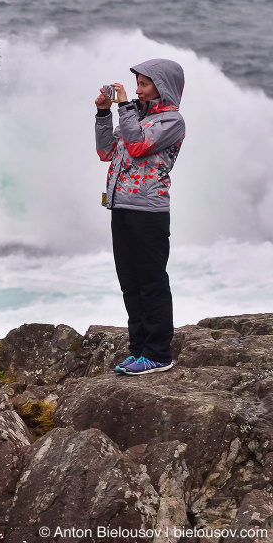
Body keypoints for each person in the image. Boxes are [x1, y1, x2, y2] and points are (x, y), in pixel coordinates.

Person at [94, 59, 186, 375]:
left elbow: (136, 146)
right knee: (130, 282)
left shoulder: (172, 121)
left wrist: (123, 107)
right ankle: (139, 350)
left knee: (151, 281)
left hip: (149, 211)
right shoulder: (136, 116)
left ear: (162, 87)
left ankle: (159, 353)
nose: (138, 90)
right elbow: (106, 151)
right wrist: (104, 113)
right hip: (121, 206)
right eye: (138, 84)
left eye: (144, 84)